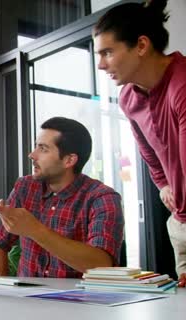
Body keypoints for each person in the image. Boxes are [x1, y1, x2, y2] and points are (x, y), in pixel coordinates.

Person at [93, 0, 186, 287]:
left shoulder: (181, 85)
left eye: (108, 52)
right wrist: (164, 186)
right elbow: (148, 151)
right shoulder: (129, 98)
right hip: (181, 220)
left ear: (141, 46)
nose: (100, 64)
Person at [0, 117, 124, 278]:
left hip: (79, 301)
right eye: (35, 146)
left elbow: (101, 264)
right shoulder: (25, 187)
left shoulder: (102, 198)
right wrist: (6, 290)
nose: (32, 155)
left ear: (69, 160)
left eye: (43, 149)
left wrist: (35, 230)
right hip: (26, 300)